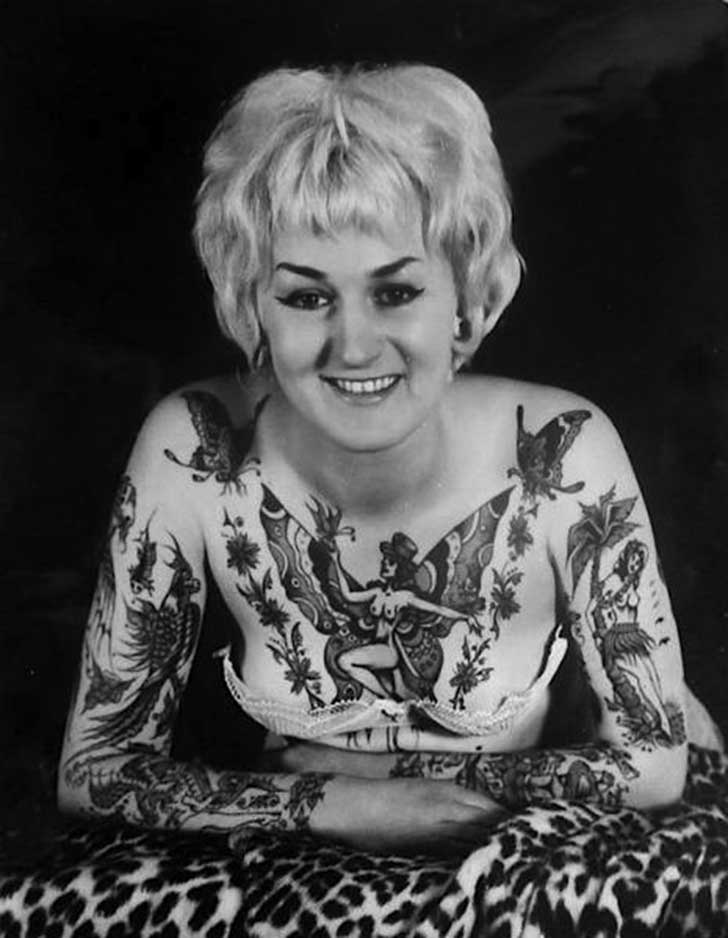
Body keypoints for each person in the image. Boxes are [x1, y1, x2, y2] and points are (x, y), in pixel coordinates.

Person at [58, 63, 687, 857]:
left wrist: (392, 775)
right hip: (285, 874)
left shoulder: (563, 450)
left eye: (395, 293)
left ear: (468, 300)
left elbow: (656, 767)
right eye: (307, 297)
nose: (353, 346)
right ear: (251, 304)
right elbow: (93, 770)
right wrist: (337, 804)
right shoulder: (192, 444)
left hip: (517, 862)